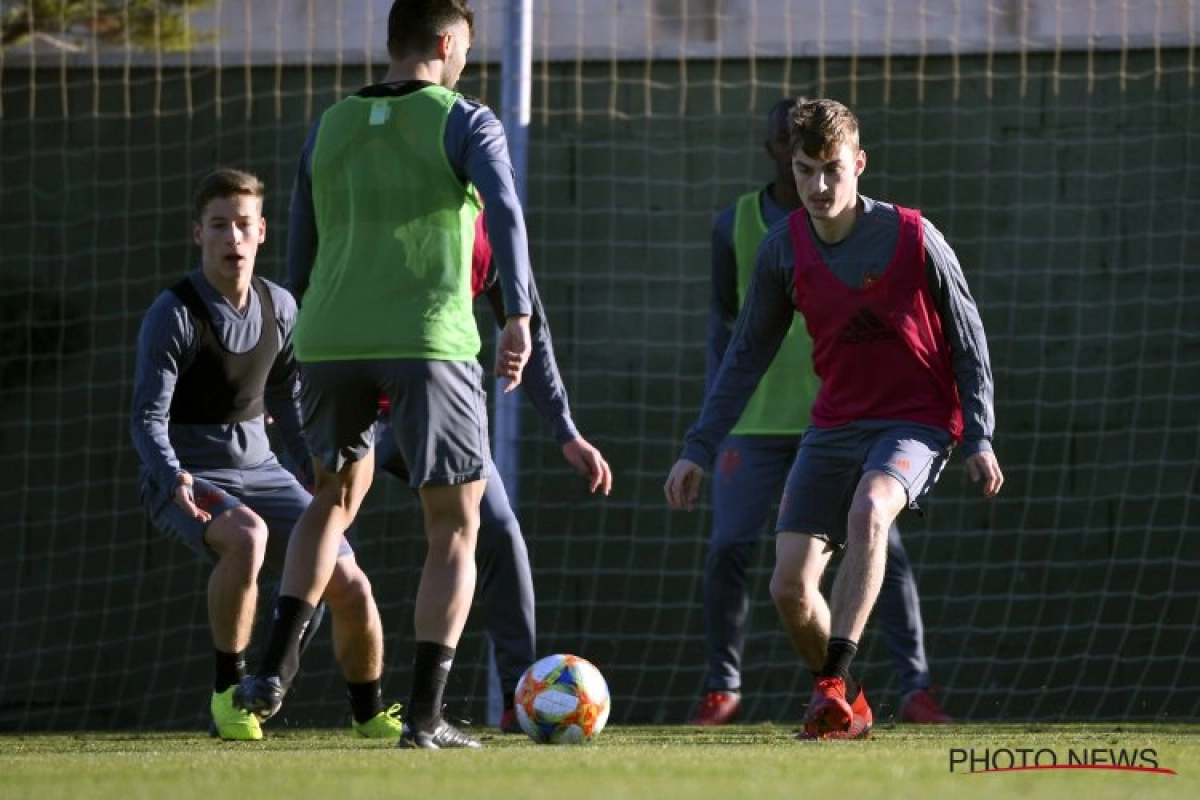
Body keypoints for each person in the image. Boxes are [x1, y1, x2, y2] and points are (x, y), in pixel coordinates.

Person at [235, 0, 536, 749]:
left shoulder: (329, 123)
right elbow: (504, 210)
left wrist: (304, 335)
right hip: (426, 339)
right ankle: (425, 718)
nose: (466, 62)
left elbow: (300, 245)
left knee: (331, 497)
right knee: (456, 526)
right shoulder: (467, 120)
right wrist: (520, 312)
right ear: (444, 44)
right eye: (465, 49)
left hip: (329, 336)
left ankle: (270, 669)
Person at [665, 98, 1003, 740]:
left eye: (831, 170)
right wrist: (698, 448)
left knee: (873, 507)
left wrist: (980, 436)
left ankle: (830, 684)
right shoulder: (781, 251)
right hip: (834, 425)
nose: (818, 186)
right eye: (804, 171)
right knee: (789, 588)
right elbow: (743, 359)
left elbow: (968, 338)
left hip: (916, 421)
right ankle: (851, 705)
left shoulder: (912, 235)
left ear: (859, 164)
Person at [130, 167, 402, 742]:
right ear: (197, 233)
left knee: (350, 581)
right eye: (218, 225)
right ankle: (230, 694)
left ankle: (369, 713)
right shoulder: (173, 314)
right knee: (248, 537)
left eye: (242, 225)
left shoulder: (280, 306)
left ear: (262, 234)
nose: (232, 237)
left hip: (264, 468)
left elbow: (286, 392)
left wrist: (312, 466)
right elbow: (146, 418)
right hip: (186, 473)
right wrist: (171, 473)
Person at [363, 210, 613, 734]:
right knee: (320, 535)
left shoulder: (486, 229)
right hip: (358, 408)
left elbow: (529, 329)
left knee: (498, 533)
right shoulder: (377, 202)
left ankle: (522, 697)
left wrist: (565, 432)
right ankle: (264, 676)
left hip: (437, 412)